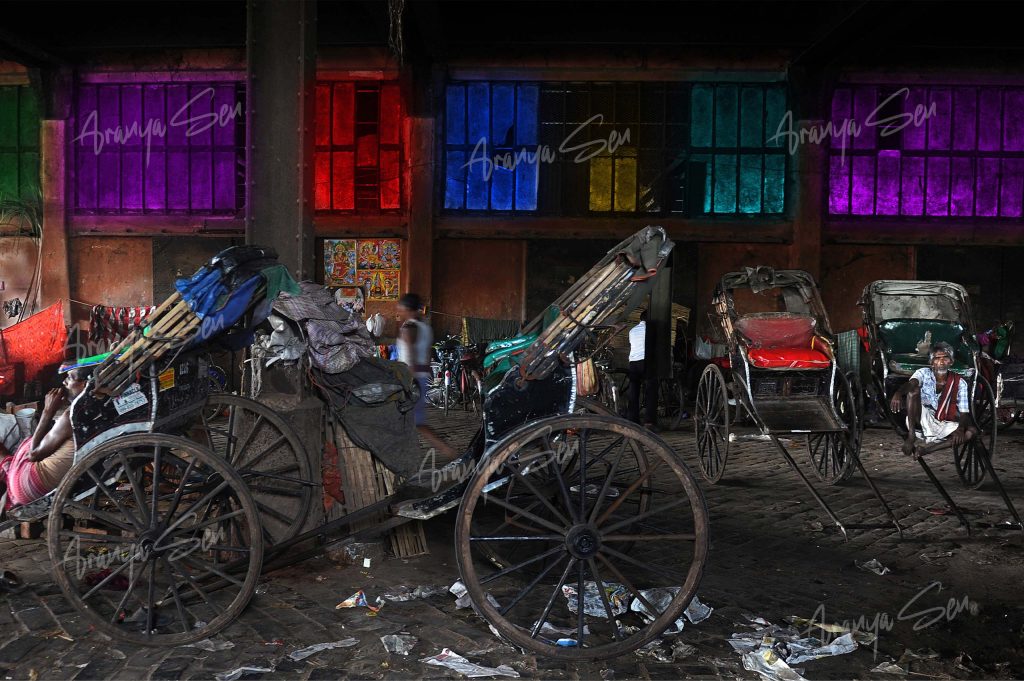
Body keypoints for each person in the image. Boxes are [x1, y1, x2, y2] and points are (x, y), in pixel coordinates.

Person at [0, 367, 91, 508]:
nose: (64, 382)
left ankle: (8, 479)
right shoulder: (94, 408)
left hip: (29, 487)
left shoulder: (72, 416)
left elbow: (33, 454)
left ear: (85, 384)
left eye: (70, 378)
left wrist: (48, 411)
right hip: (47, 479)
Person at [889, 341, 975, 457]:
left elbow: (964, 412)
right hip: (920, 417)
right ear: (931, 362)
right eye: (937, 358)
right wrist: (899, 393)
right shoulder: (923, 373)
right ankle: (911, 436)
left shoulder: (960, 383)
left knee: (970, 433)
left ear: (951, 362)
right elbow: (912, 384)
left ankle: (926, 450)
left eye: (945, 358)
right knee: (914, 390)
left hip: (943, 421)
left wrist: (960, 429)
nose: (941, 361)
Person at [396, 293, 433, 427]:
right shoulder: (426, 328)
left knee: (412, 421)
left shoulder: (408, 328)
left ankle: (445, 448)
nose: (399, 311)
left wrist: (409, 382)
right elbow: (428, 356)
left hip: (411, 378)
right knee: (415, 421)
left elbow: (411, 357)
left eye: (400, 308)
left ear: (407, 309)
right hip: (422, 377)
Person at [627, 310, 657, 428]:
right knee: (651, 389)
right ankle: (649, 421)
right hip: (646, 360)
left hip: (633, 362)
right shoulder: (651, 330)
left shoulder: (632, 330)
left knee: (633, 391)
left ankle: (632, 420)